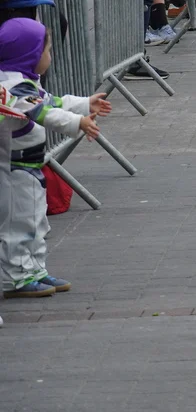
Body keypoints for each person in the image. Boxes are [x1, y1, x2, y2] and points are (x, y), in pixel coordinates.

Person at [0, 18, 110, 299]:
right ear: (30, 55)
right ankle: (17, 277)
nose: (50, 57)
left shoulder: (24, 82)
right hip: (15, 170)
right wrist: (77, 121)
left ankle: (34, 270)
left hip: (28, 168)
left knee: (36, 221)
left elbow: (51, 101)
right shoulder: (13, 88)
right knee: (20, 223)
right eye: (47, 51)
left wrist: (83, 103)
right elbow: (43, 113)